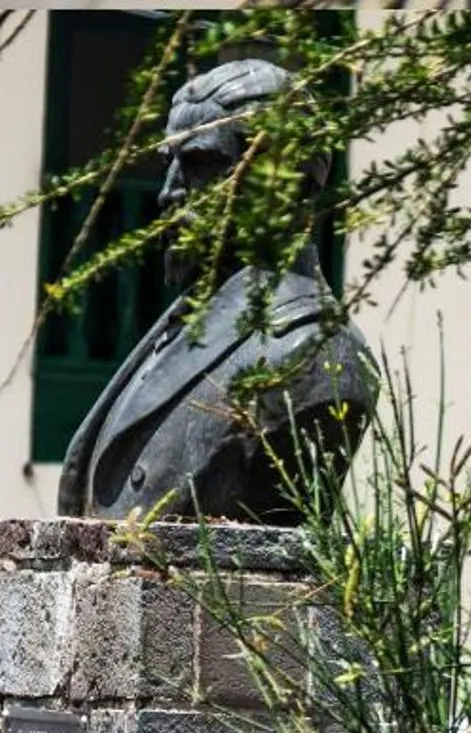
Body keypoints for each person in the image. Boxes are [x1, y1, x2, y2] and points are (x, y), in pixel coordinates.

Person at [55, 59, 375, 524]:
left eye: (201, 164)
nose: (168, 193)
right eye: (168, 164)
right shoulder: (182, 325)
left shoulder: (317, 353)